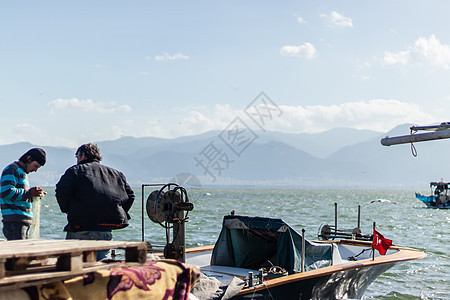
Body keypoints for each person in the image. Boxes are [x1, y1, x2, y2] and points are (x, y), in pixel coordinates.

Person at [55, 143, 135, 261]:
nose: (77, 159)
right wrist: (117, 211)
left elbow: (61, 191)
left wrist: (67, 209)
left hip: (80, 226)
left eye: (77, 156)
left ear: (83, 156)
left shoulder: (75, 171)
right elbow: (131, 196)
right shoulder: (116, 174)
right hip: (105, 229)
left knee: (76, 267)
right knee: (102, 267)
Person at [0, 148, 47, 240]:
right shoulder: (13, 169)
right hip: (15, 222)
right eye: (35, 166)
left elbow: (19, 197)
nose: (35, 170)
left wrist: (34, 195)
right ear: (28, 158)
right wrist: (29, 193)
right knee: (19, 252)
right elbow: (5, 192)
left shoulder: (21, 172)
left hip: (20, 222)